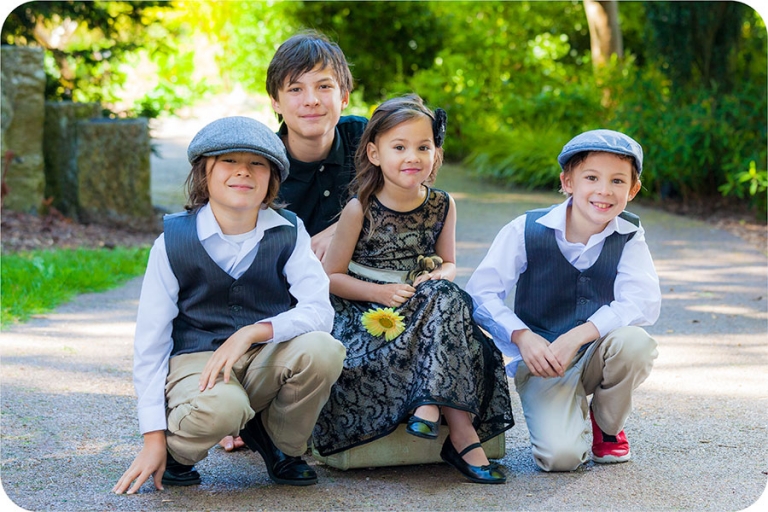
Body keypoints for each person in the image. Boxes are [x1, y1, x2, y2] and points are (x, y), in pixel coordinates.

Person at [112, 116, 346, 494]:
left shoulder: (289, 230)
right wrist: (152, 437)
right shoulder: (172, 241)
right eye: (229, 161)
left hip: (262, 355)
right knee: (224, 406)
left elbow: (320, 310)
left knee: (324, 348)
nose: (244, 172)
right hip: (196, 361)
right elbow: (150, 344)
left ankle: (281, 446)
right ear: (205, 173)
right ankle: (178, 454)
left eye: (257, 163)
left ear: (272, 177)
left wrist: (254, 332)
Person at [312, 95, 515, 484]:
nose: (413, 156)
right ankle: (460, 433)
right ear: (374, 153)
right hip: (368, 311)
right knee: (448, 304)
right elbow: (331, 276)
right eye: (399, 147)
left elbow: (449, 261)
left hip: (423, 302)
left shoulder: (442, 204)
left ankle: (434, 409)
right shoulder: (361, 208)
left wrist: (442, 274)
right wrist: (381, 294)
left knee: (447, 294)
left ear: (435, 153)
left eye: (424, 147)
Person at [466, 129, 661, 472]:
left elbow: (642, 302)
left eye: (617, 181)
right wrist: (521, 337)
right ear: (567, 181)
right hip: (544, 361)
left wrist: (579, 335)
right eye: (591, 177)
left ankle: (607, 423)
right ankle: (566, 415)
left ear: (632, 190)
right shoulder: (525, 229)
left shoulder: (630, 235)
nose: (604, 190)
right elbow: (481, 293)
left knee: (635, 343)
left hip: (596, 355)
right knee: (561, 459)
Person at [218, 29, 366, 454]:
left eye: (324, 86)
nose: (311, 100)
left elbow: (415, 184)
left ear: (345, 96)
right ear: (276, 103)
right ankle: (246, 404)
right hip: (283, 301)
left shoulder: (367, 142)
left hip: (362, 290)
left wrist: (338, 228)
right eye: (295, 89)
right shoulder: (260, 162)